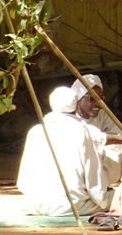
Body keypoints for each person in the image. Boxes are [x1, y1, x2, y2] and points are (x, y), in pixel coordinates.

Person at [17, 86, 115, 216]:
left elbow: (24, 177)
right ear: (76, 105)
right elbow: (93, 175)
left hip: (35, 204)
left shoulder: (36, 131)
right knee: (119, 196)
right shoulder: (82, 131)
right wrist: (102, 200)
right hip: (69, 205)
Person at [71, 73, 122, 184]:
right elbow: (91, 140)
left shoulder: (102, 114)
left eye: (101, 99)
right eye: (92, 99)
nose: (98, 104)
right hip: (78, 168)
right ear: (79, 98)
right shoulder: (68, 118)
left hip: (100, 167)